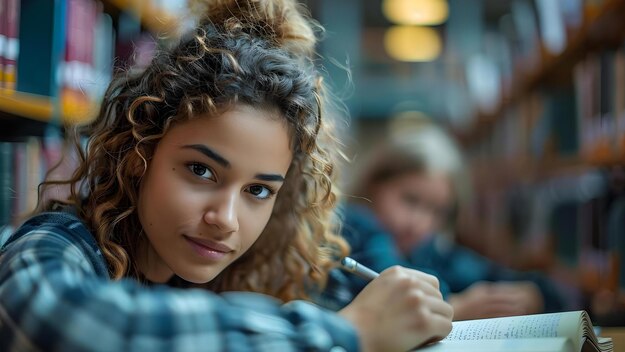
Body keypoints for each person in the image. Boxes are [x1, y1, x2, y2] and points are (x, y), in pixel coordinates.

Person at [0, 1, 453, 351]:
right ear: (140, 156)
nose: (227, 219)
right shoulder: (57, 242)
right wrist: (349, 332)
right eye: (201, 171)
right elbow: (59, 322)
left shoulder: (259, 267)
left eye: (258, 190)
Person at [343, 115, 569, 321]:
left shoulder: (427, 252)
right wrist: (456, 306)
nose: (419, 223)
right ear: (374, 184)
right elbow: (392, 280)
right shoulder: (354, 226)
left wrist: (531, 295)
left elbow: (510, 280)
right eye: (410, 199)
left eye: (436, 211)